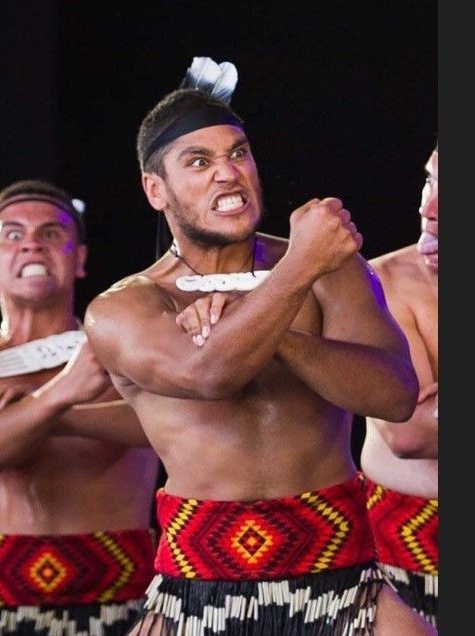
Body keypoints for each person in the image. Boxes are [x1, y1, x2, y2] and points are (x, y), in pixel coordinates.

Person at [83, 87, 435, 634]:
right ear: (156, 190)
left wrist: (282, 331)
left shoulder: (330, 269)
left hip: (345, 578)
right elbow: (211, 375)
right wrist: (297, 269)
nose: (227, 173)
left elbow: (393, 397)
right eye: (199, 162)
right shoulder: (124, 307)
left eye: (238, 153)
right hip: (196, 592)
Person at [0, 179, 160, 635]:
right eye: (12, 234)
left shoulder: (121, 352)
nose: (31, 244)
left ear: (79, 258)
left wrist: (40, 415)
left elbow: (167, 429)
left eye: (51, 234)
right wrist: (61, 394)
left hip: (131, 611)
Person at [361, 144, 438, 628]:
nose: (428, 209)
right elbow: (409, 433)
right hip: (400, 562)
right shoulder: (381, 281)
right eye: (429, 182)